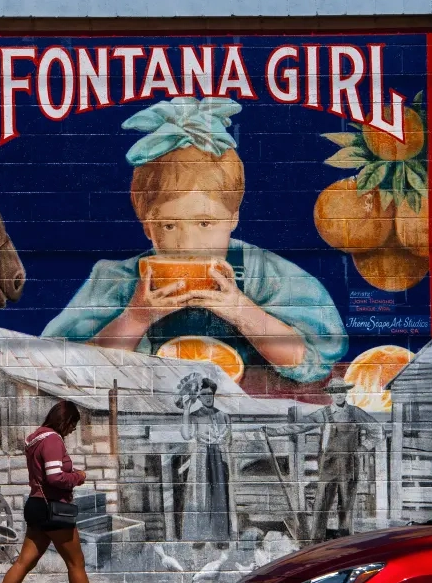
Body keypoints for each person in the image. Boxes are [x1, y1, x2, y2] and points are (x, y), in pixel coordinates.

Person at [41, 97, 347, 386]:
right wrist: (135, 318)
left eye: (205, 223)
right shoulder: (116, 280)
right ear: (147, 227)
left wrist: (241, 309)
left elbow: (311, 360)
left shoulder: (263, 272)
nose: (187, 243)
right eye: (169, 225)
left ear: (233, 219)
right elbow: (67, 366)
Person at [0, 401, 123, 583]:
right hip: (54, 509)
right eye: (73, 426)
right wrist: (78, 476)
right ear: (65, 421)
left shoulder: (35, 438)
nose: (72, 431)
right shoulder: (52, 440)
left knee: (24, 562)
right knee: (76, 563)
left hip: (37, 505)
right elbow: (55, 477)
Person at [265, 377, 384, 539]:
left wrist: (363, 447)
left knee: (346, 507)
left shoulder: (355, 412)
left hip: (350, 466)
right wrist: (274, 431)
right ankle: (316, 541)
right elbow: (301, 425)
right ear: (331, 395)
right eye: (335, 392)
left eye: (342, 391)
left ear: (346, 392)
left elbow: (377, 430)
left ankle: (344, 542)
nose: (339, 395)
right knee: (321, 504)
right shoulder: (324, 413)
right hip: (328, 465)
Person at [179, 377, 233, 544]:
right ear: (199, 397)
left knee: (220, 495)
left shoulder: (223, 416)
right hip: (201, 457)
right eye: (204, 394)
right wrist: (186, 411)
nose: (208, 397)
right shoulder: (194, 416)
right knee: (200, 496)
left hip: (219, 458)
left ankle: (220, 537)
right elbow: (187, 435)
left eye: (210, 394)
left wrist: (220, 441)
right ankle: (198, 537)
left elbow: (228, 439)